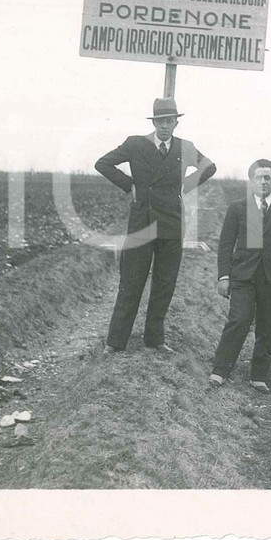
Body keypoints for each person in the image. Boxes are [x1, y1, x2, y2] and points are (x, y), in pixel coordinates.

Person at [95, 97, 216, 354]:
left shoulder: (185, 147)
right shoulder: (136, 144)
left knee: (165, 283)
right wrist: (129, 185)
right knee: (131, 282)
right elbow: (103, 163)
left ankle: (155, 339)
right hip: (141, 223)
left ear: (175, 123)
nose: (165, 126)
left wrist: (187, 185)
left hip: (171, 223)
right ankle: (115, 343)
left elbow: (209, 167)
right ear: (154, 122)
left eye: (169, 121)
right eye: (160, 121)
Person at [209, 159, 271, 392]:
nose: (263, 182)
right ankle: (220, 371)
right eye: (259, 177)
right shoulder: (237, 208)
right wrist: (223, 276)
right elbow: (225, 245)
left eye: (268, 177)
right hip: (243, 276)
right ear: (251, 181)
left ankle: (258, 375)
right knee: (239, 320)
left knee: (267, 325)